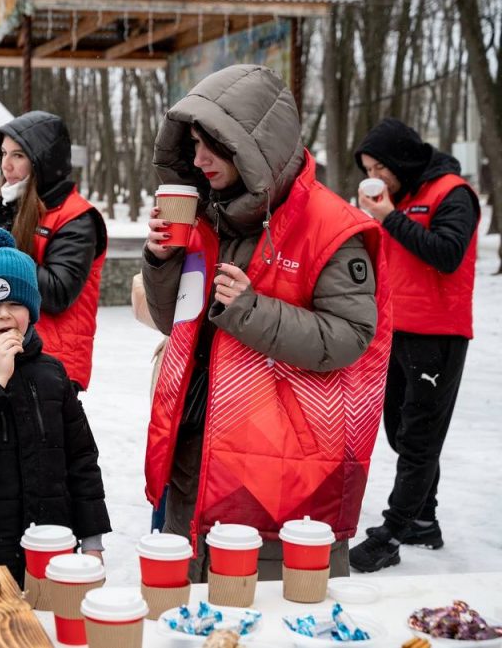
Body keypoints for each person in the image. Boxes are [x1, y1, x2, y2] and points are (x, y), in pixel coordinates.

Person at [140, 64, 391, 581]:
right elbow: (178, 326)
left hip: (282, 473)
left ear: (253, 145)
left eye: (213, 145)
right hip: (196, 452)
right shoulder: (210, 214)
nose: (198, 159)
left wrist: (251, 312)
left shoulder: (332, 226)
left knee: (272, 616)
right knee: (194, 620)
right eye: (192, 144)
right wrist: (163, 260)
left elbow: (351, 338)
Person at [0, 226, 111, 586]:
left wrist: (91, 539)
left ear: (31, 309)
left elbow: (81, 458)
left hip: (52, 543)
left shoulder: (52, 373)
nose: (4, 315)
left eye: (15, 304)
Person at [349, 118, 480, 573]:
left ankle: (394, 531)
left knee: (420, 437)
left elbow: (446, 254)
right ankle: (424, 518)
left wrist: (390, 218)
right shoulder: (397, 202)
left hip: (439, 335)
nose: (375, 176)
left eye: (379, 166)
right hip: (397, 332)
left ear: (402, 159)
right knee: (400, 430)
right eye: (368, 168)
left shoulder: (453, 193)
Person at [0, 111, 107, 392]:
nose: (6, 164)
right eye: (3, 153)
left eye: (18, 155)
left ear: (43, 159)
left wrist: (3, 252)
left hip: (53, 359)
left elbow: (58, 293)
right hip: (6, 352)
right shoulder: (9, 206)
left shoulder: (76, 217)